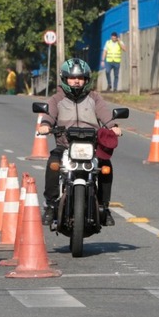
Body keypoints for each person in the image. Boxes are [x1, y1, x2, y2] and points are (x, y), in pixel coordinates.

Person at [36, 58, 123, 227]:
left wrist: (114, 126)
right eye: (72, 77)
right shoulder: (56, 99)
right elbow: (49, 116)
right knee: (53, 164)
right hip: (65, 146)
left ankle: (104, 207)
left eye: (81, 78)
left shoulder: (94, 98)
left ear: (86, 79)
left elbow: (105, 114)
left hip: (91, 147)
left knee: (106, 167)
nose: (76, 81)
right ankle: (51, 205)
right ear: (65, 79)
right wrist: (45, 126)